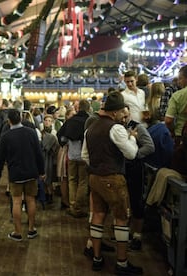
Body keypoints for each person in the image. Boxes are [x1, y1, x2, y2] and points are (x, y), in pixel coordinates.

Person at [81, 92, 142, 274]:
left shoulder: (90, 129)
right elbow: (131, 154)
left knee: (98, 215)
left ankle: (97, 258)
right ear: (114, 112)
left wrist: (98, 167)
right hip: (113, 178)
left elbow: (85, 156)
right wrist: (132, 138)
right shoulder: (116, 129)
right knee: (121, 218)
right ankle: (121, 263)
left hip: (95, 177)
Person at [0, 109, 45, 241]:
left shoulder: (6, 136)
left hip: (15, 173)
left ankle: (17, 232)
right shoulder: (31, 132)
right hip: (31, 171)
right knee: (31, 200)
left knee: (16, 201)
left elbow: (0, 158)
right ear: (21, 119)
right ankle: (31, 229)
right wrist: (42, 171)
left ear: (9, 121)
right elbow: (38, 153)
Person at [122, 106, 155, 251]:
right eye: (122, 115)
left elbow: (150, 146)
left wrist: (134, 154)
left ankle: (137, 236)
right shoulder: (117, 128)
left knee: (136, 202)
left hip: (135, 169)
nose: (124, 118)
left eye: (126, 115)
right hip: (122, 169)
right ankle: (127, 232)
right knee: (125, 202)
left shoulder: (138, 127)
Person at [57, 100, 90, 218]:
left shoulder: (71, 121)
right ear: (88, 109)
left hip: (71, 155)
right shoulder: (89, 121)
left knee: (72, 180)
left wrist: (65, 144)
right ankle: (78, 207)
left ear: (78, 108)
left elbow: (60, 135)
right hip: (84, 156)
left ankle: (72, 206)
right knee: (83, 181)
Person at [165, 65, 187, 146]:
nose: (179, 82)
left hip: (182, 135)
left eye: (180, 78)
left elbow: (168, 120)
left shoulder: (177, 95)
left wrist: (172, 132)